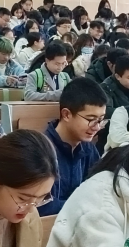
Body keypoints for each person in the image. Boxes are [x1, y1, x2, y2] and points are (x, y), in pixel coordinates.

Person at [45, 78, 106, 213]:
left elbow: (99, 188)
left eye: (100, 120)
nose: (97, 127)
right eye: (91, 119)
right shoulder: (41, 151)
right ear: (66, 114)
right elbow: (43, 206)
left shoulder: (88, 148)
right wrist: (83, 205)